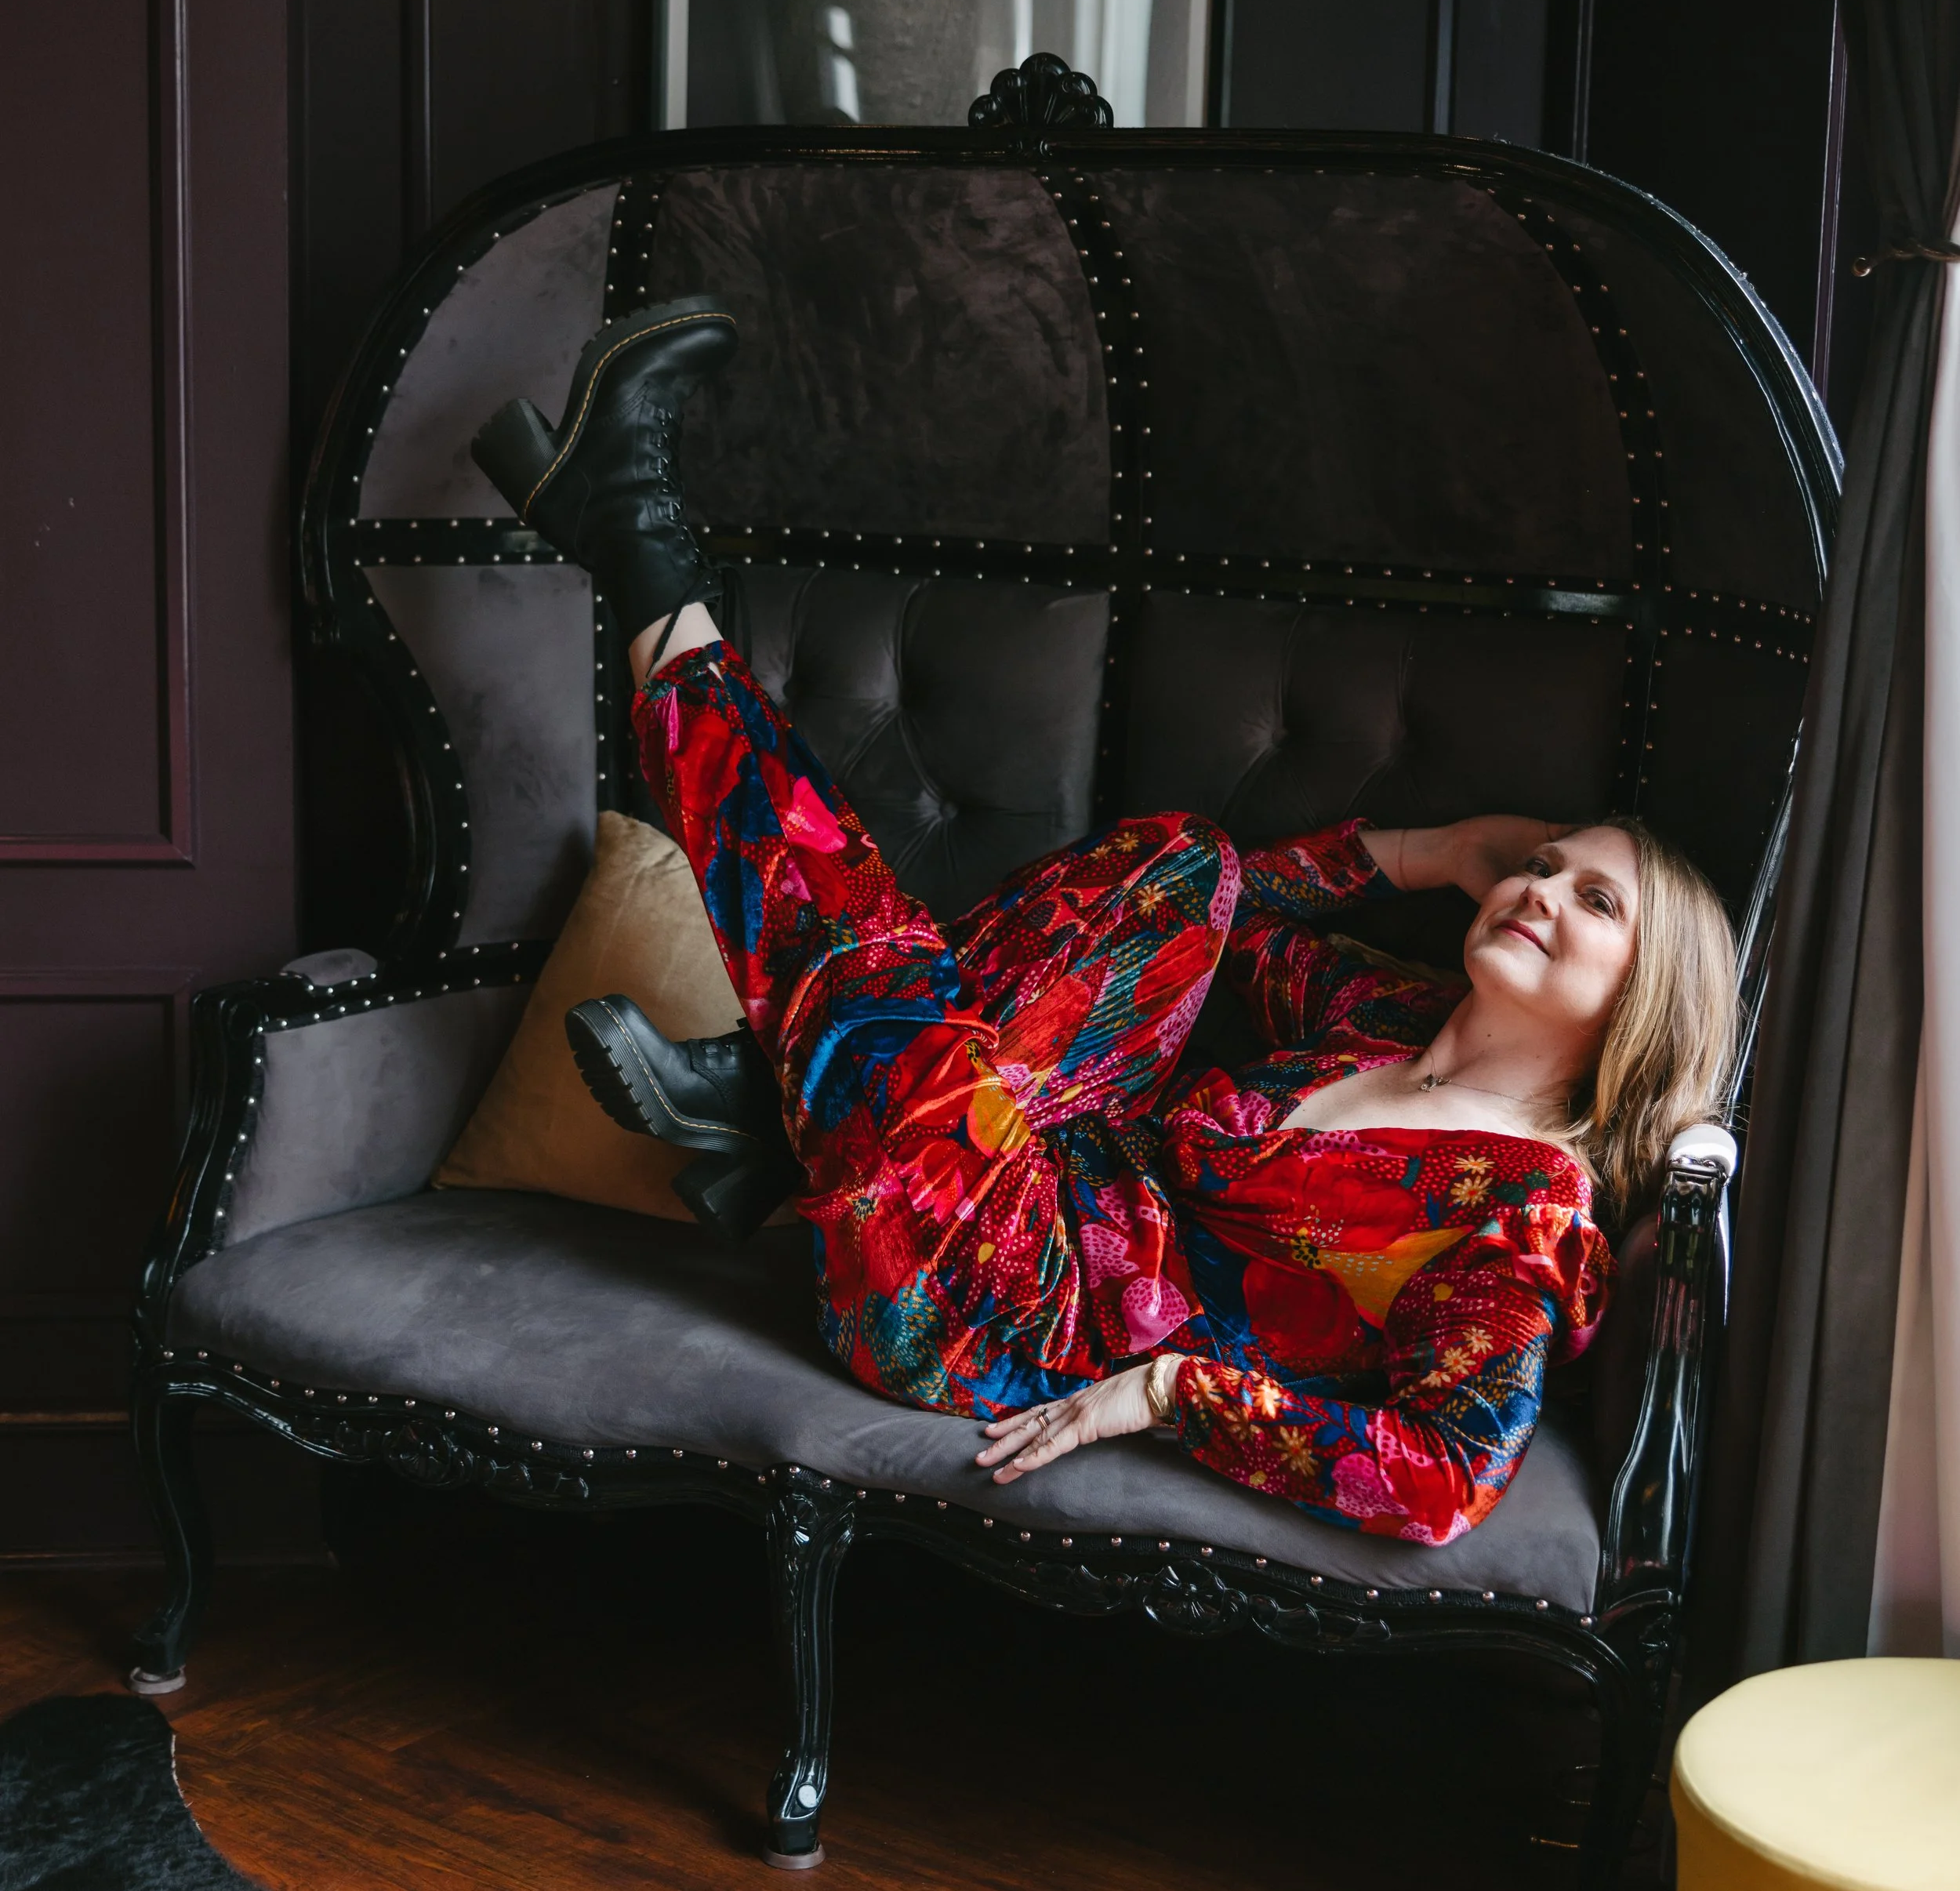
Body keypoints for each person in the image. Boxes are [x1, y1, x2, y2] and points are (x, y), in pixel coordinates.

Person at [472, 299, 1739, 1550]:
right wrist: (1435, 850)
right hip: (1007, 1154)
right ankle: (787, 1086)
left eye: (1594, 901)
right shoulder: (1378, 1020)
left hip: (1001, 1316)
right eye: (1541, 865)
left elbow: (1443, 1482)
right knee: (1179, 864)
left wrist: (1175, 1393)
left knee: (884, 995)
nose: (1536, 891)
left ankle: (639, 546)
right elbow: (1225, 904)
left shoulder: (1529, 1205)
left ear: (1649, 997)